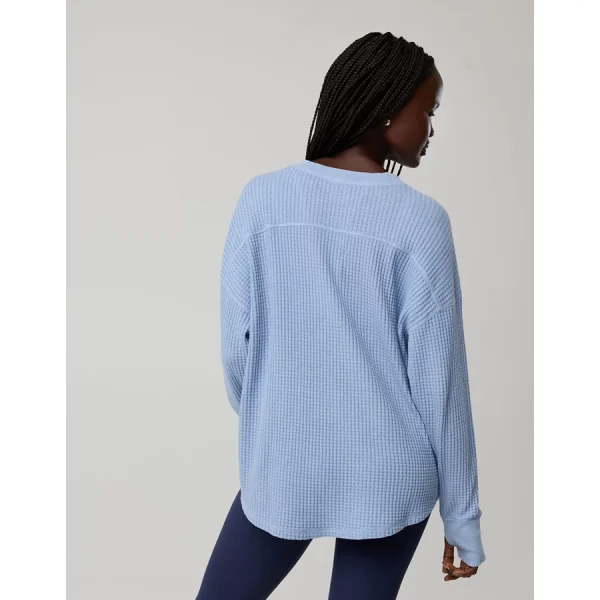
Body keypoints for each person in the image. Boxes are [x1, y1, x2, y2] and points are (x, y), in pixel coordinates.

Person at [195, 31, 486, 600]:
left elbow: (236, 350)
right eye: (427, 111)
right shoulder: (420, 221)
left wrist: (279, 422)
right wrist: (462, 516)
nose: (431, 129)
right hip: (389, 477)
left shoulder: (263, 199)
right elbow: (442, 386)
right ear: (387, 109)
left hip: (284, 468)